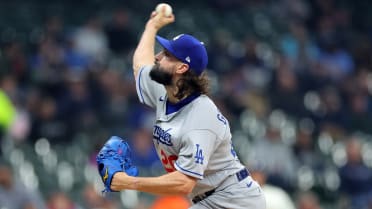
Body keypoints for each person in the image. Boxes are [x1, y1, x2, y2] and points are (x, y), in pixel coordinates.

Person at [110, 6, 266, 209]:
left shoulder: (201, 116)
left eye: (166, 54)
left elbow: (184, 183)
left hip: (235, 200)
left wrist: (130, 182)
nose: (157, 57)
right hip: (209, 199)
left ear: (182, 68)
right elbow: (140, 64)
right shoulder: (165, 91)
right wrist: (151, 26)